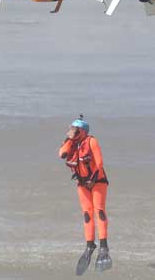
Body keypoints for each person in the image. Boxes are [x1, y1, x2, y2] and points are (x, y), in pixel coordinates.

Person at [59, 115, 111, 275]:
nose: (72, 131)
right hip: (82, 184)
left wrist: (92, 180)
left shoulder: (91, 141)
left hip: (97, 182)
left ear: (82, 130)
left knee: (99, 211)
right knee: (87, 215)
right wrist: (68, 139)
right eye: (71, 129)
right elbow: (62, 154)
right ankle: (90, 245)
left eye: (75, 129)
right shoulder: (72, 143)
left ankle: (103, 246)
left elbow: (99, 163)